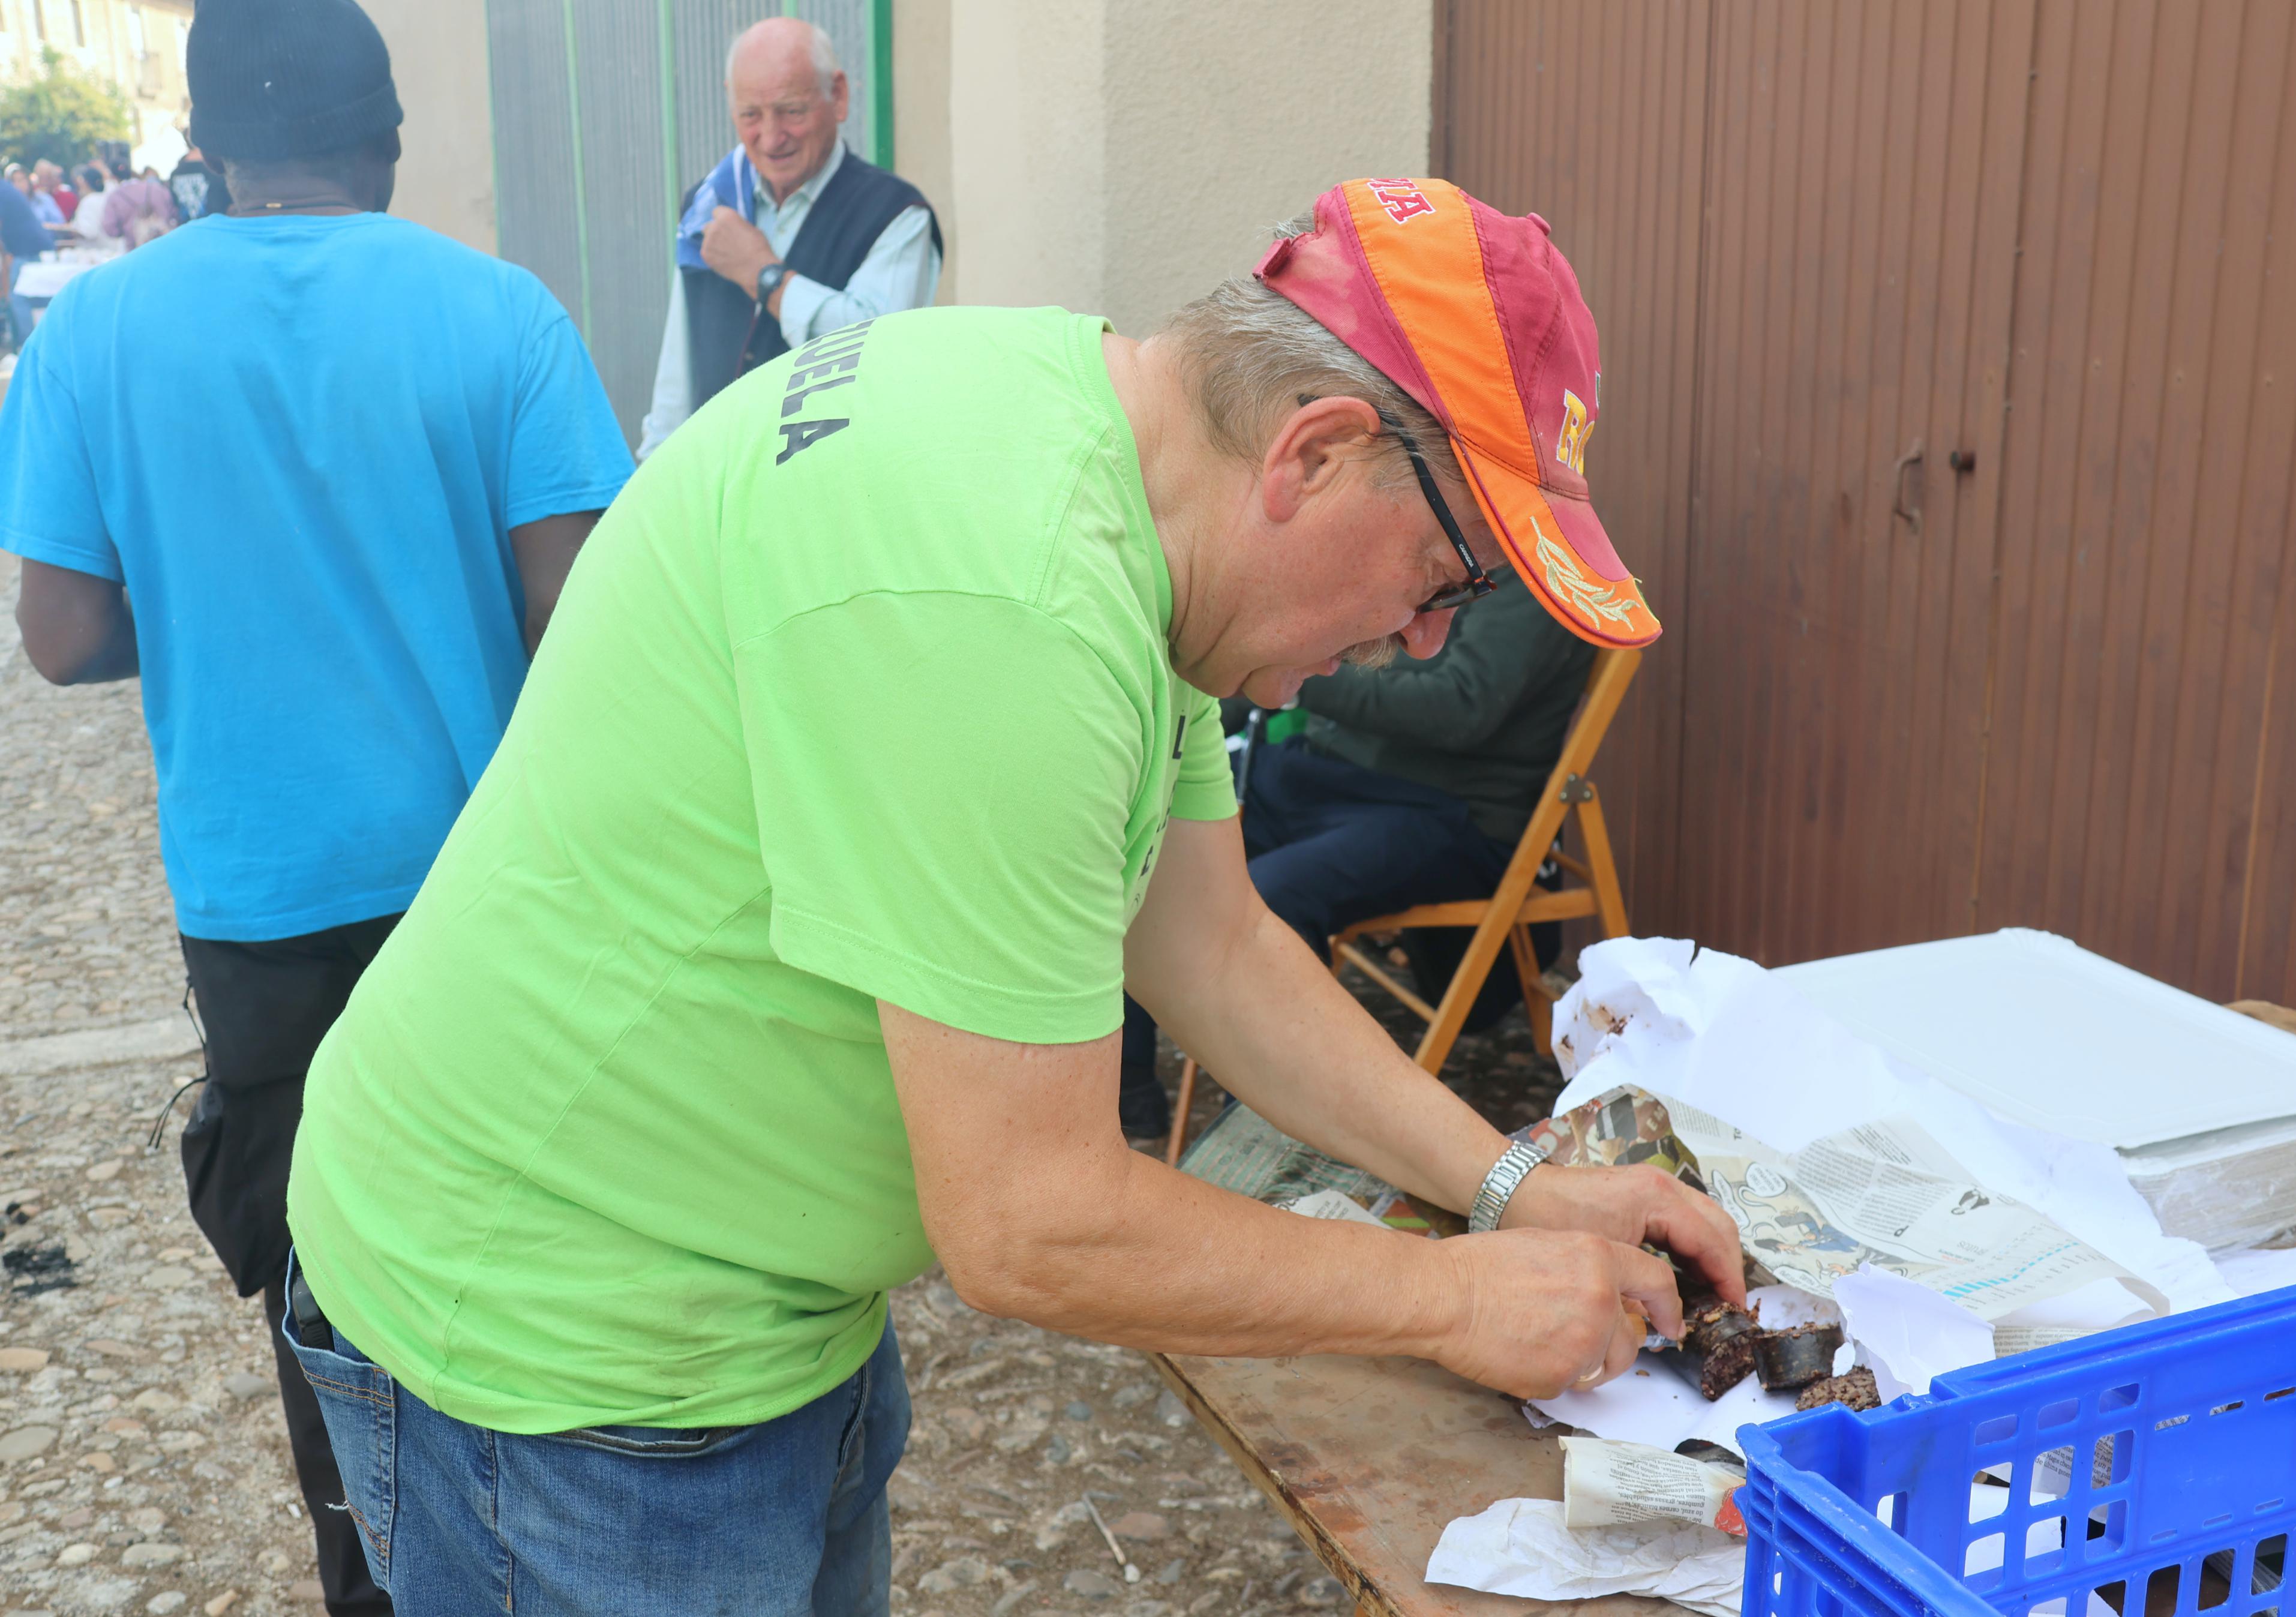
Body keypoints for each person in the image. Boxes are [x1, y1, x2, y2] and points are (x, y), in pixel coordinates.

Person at [280, 175, 1703, 1615]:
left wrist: (1512, 1189)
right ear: (1316, 454)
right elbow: (1032, 1222)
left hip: (748, 1305)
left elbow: (1212, 946)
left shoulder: (1089, 442)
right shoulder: (1009, 608)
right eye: (1443, 574)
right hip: (561, 1351)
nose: (1422, 639)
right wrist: (1454, 1299)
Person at [0, 1, 633, 1611]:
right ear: (391, 139)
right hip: (487, 890)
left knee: (320, 1257)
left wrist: (218, 599)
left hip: (259, 898)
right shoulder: (499, 314)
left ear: (206, 145)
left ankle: (376, 1567)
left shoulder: (94, 332)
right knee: (526, 1230)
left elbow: (63, 634)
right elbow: (591, 615)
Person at [1116, 565, 1594, 1135]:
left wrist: (1293, 665)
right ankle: (1124, 1094)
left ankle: (1259, 1148)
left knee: (1273, 895)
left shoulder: (1538, 581)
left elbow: (1460, 708)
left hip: (1444, 813)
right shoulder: (1439, 551)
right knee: (1143, 835)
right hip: (1331, 776)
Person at [634, 16, 940, 460]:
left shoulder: (898, 214)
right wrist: (652, 469)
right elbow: (678, 373)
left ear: (838, 95)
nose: (772, 138)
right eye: (750, 115)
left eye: (791, 111)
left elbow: (877, 356)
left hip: (835, 492)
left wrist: (766, 275)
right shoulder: (711, 203)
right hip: (726, 486)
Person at [1, 165, 54, 347]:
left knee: (19, 297)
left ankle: (30, 346)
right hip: (30, 248)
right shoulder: (5, 188)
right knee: (29, 296)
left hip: (27, 250)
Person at [100, 163, 178, 247]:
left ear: (114, 177)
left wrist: (127, 230)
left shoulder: (114, 198)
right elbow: (174, 214)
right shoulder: (158, 188)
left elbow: (110, 229)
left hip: (136, 250)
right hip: (165, 243)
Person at [169, 142, 229, 221]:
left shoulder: (175, 174)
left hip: (188, 228)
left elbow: (175, 203)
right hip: (216, 227)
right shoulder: (215, 169)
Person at [68, 163, 110, 241]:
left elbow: (88, 231)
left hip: (93, 251)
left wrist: (67, 231)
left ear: (85, 183)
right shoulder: (107, 198)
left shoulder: (89, 201)